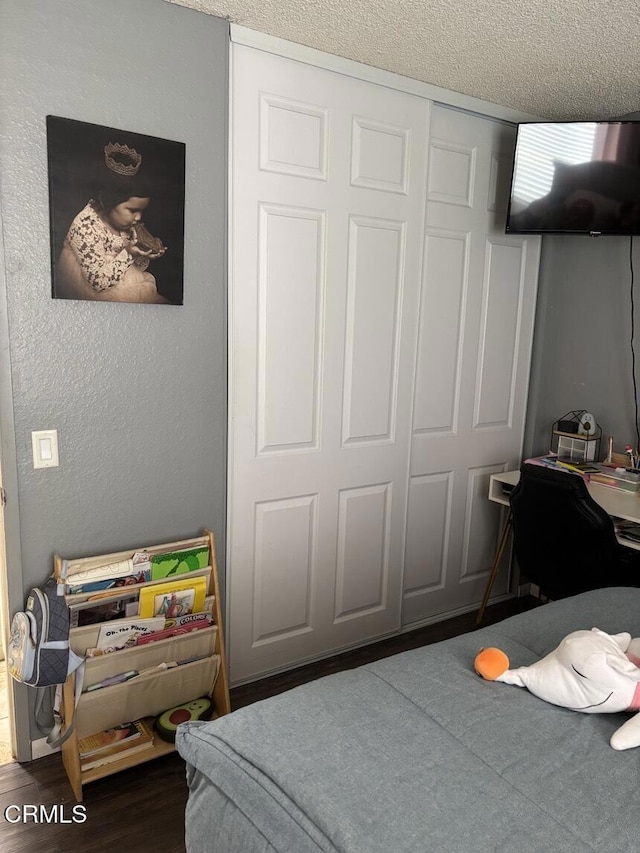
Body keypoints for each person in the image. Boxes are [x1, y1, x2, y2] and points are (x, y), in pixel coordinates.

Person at [54, 141, 168, 303]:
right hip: (94, 286)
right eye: (132, 210)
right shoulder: (85, 225)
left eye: (141, 211)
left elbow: (136, 267)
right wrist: (129, 253)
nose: (139, 218)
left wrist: (142, 252)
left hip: (116, 275)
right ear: (109, 202)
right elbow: (99, 283)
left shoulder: (126, 225)